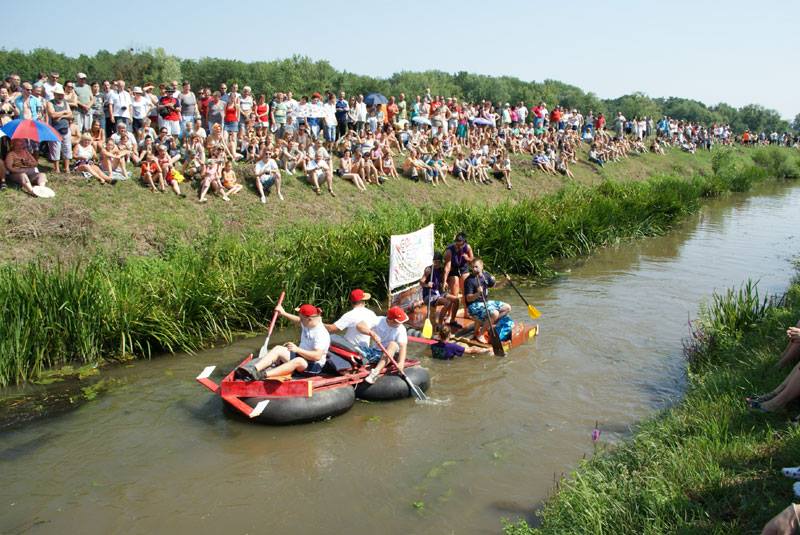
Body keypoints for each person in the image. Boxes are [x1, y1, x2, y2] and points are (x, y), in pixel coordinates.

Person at [236, 303, 330, 380]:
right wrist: (284, 313)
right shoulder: (308, 322)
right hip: (303, 357)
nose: (300, 320)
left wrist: (297, 350)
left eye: (301, 318)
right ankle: (253, 369)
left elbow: (317, 356)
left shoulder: (321, 334)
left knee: (298, 361)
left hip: (314, 366)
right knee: (278, 349)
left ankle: (263, 375)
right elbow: (298, 320)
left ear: (309, 319)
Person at [356, 306, 409, 384]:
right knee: (356, 348)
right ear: (390, 320)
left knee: (393, 344)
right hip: (377, 352)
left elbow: (403, 346)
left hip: (393, 355)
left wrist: (401, 362)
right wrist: (371, 333)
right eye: (398, 321)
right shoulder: (378, 320)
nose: (401, 323)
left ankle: (375, 373)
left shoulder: (401, 329)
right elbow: (359, 325)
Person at [419, 252, 459, 331]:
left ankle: (452, 320)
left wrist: (445, 282)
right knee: (447, 302)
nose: (436, 264)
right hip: (429, 295)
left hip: (439, 293)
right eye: (435, 262)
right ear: (433, 261)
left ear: (441, 262)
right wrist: (427, 285)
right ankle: (440, 324)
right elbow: (421, 282)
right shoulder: (429, 270)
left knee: (456, 300)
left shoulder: (441, 269)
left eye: (438, 262)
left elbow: (446, 275)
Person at [442, 232, 474, 327]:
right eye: (457, 244)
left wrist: (468, 258)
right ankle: (449, 315)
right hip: (453, 270)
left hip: (463, 268)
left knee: (466, 291)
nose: (458, 247)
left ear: (464, 243)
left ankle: (466, 312)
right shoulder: (449, 251)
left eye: (460, 245)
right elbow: (447, 267)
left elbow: (472, 260)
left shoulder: (467, 247)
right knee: (454, 293)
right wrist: (444, 281)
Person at [47, 85, 73, 173]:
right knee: (55, 149)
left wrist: (61, 116)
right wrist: (64, 112)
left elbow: (70, 115)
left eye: (61, 95)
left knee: (67, 148)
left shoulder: (65, 103)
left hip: (65, 128)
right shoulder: (50, 103)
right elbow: (52, 115)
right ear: (55, 94)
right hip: (54, 129)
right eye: (58, 94)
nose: (60, 96)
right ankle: (56, 168)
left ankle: (67, 168)